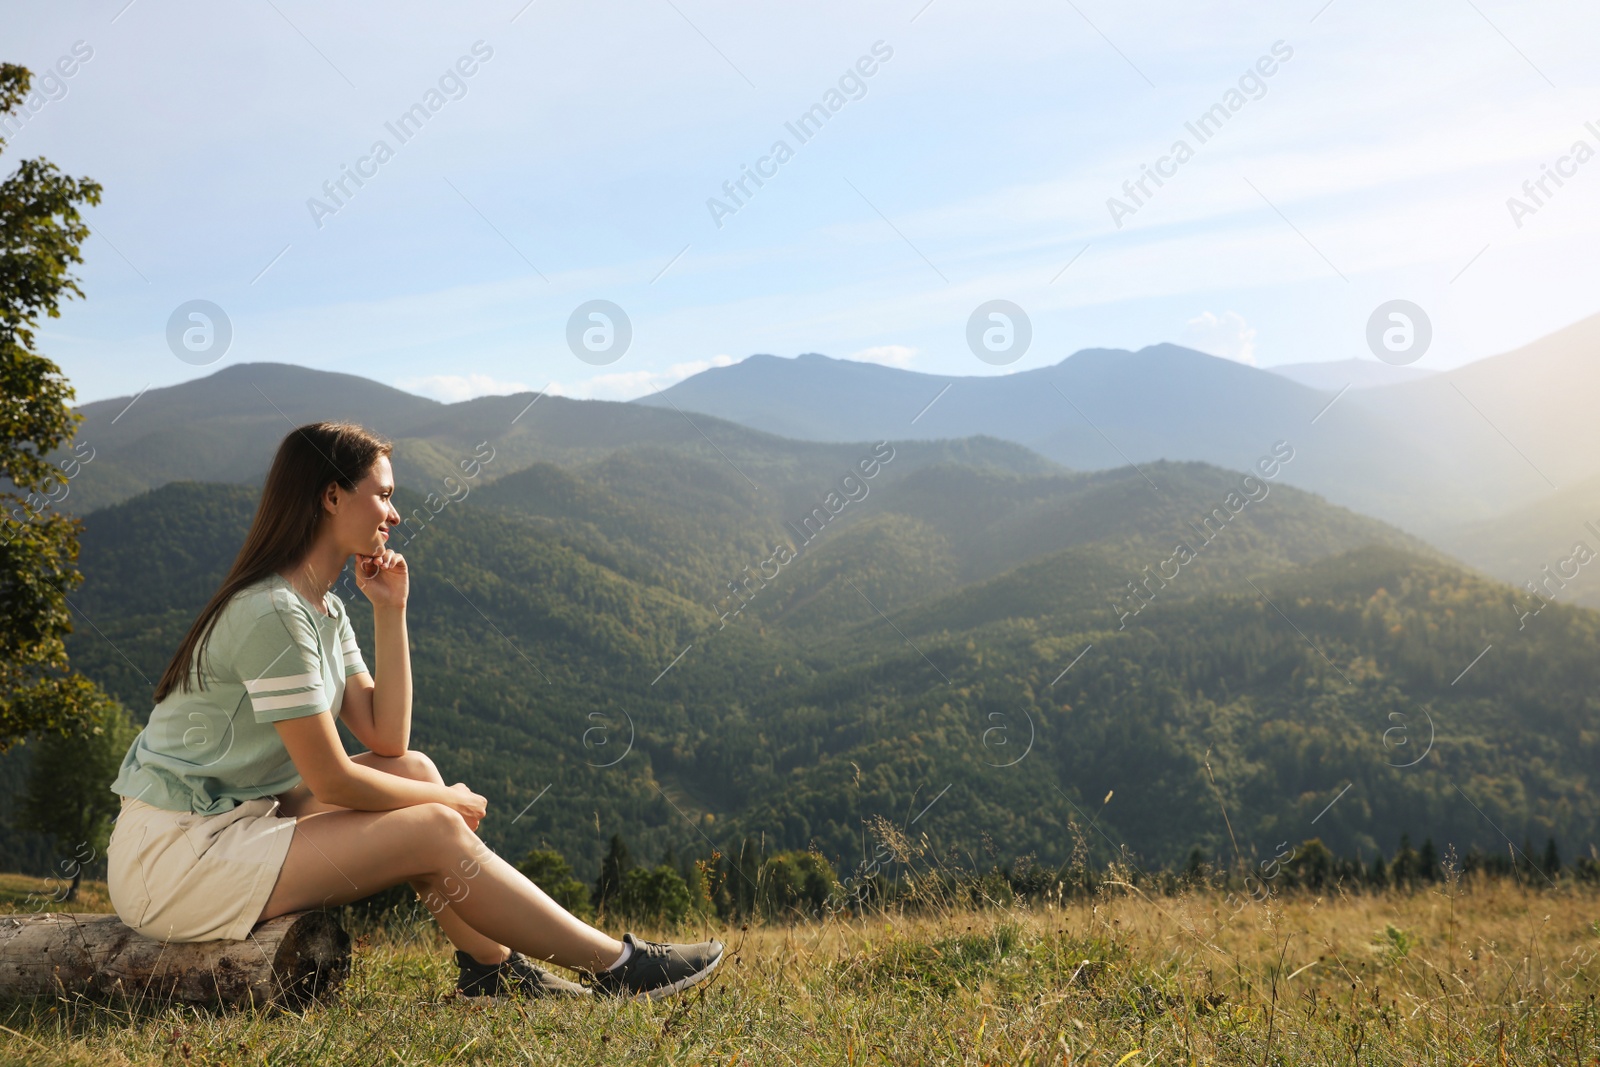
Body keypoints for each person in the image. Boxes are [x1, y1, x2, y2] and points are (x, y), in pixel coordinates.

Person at [106, 421, 722, 1001]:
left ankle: (490, 971)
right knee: (432, 822)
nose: (395, 514)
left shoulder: (320, 609)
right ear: (330, 496)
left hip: (237, 820)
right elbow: (331, 781)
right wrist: (448, 806)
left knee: (417, 772)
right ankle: (620, 967)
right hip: (176, 858)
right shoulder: (271, 613)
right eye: (382, 496)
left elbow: (387, 736)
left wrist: (389, 610)